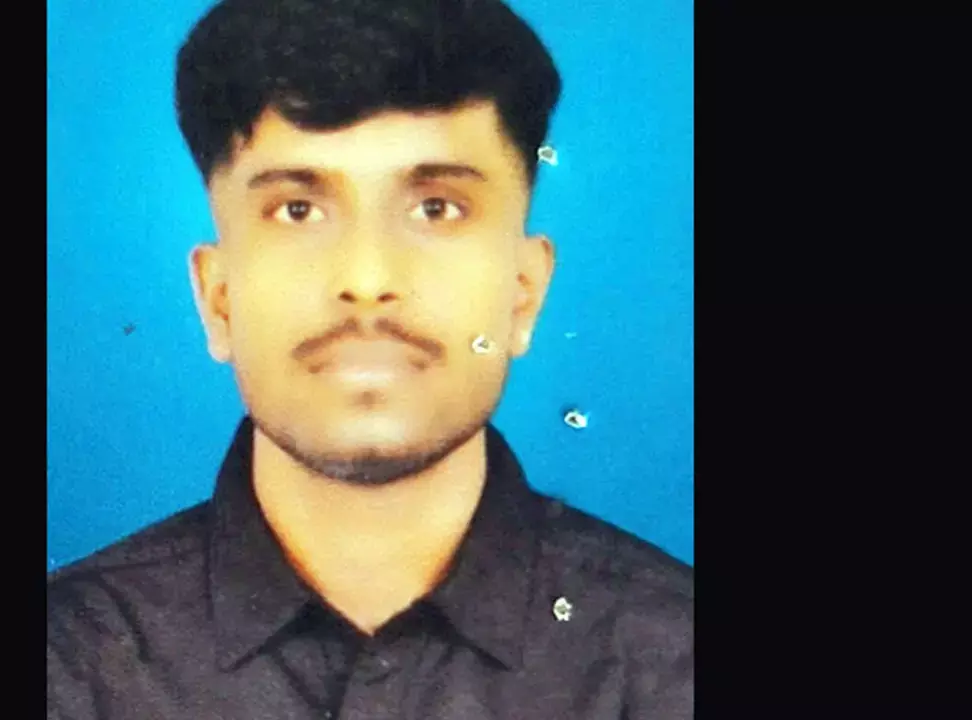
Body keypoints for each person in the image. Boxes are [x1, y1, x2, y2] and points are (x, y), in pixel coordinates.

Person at [46, 0, 692, 717]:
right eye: (297, 210)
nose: (367, 278)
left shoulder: (678, 663)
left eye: (436, 207)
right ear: (218, 299)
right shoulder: (66, 666)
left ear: (523, 293)